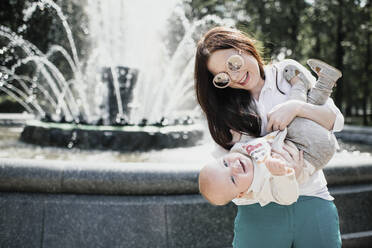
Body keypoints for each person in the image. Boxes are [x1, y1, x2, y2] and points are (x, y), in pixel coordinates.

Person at [194, 26, 343, 248]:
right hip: (258, 210)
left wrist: (296, 107)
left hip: (312, 198)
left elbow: (334, 120)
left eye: (233, 64)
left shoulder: (288, 74)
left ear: (242, 47)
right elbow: (223, 169)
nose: (235, 77)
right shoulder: (224, 108)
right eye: (223, 77)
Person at [199, 59, 342, 207]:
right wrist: (284, 175)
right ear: (242, 194)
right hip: (310, 153)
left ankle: (325, 81)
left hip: (296, 140)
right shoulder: (261, 187)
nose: (234, 167)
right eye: (233, 179)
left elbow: (337, 121)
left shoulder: (240, 153)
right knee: (288, 119)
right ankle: (300, 85)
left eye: (225, 163)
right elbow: (287, 197)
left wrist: (239, 137)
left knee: (293, 117)